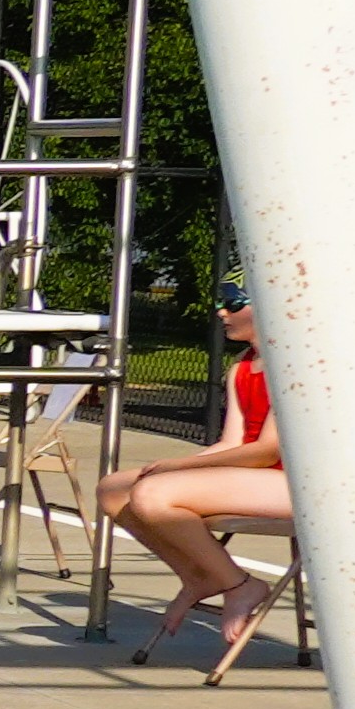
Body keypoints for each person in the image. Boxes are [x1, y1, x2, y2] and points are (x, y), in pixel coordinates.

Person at [107, 284, 292, 676]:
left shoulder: (290, 364)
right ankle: (197, 575)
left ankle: (238, 584)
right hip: (254, 478)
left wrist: (177, 470)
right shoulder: (241, 366)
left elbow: (267, 451)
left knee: (154, 496)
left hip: (293, 484)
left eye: (232, 304)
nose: (222, 313)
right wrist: (179, 463)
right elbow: (232, 441)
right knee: (113, 490)